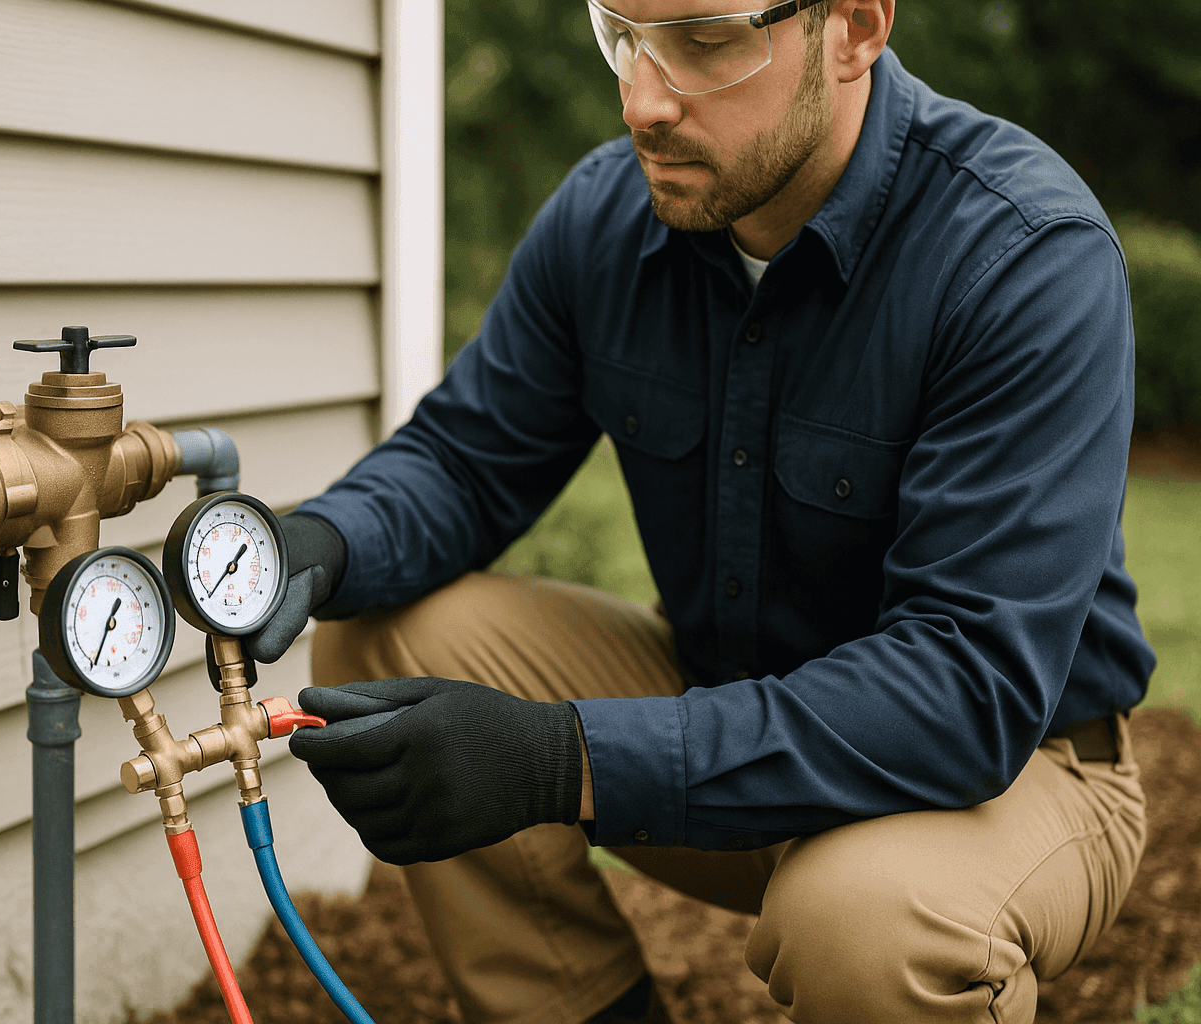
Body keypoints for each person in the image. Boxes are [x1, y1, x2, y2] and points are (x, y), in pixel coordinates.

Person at [246, 1, 1153, 1021]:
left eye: (706, 42)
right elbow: (464, 461)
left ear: (854, 28)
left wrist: (559, 760)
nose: (641, 101)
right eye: (623, 35)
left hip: (1006, 774)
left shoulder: (1023, 253)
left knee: (864, 920)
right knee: (386, 636)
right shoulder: (605, 216)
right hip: (731, 710)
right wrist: (314, 544)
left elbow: (965, 688)